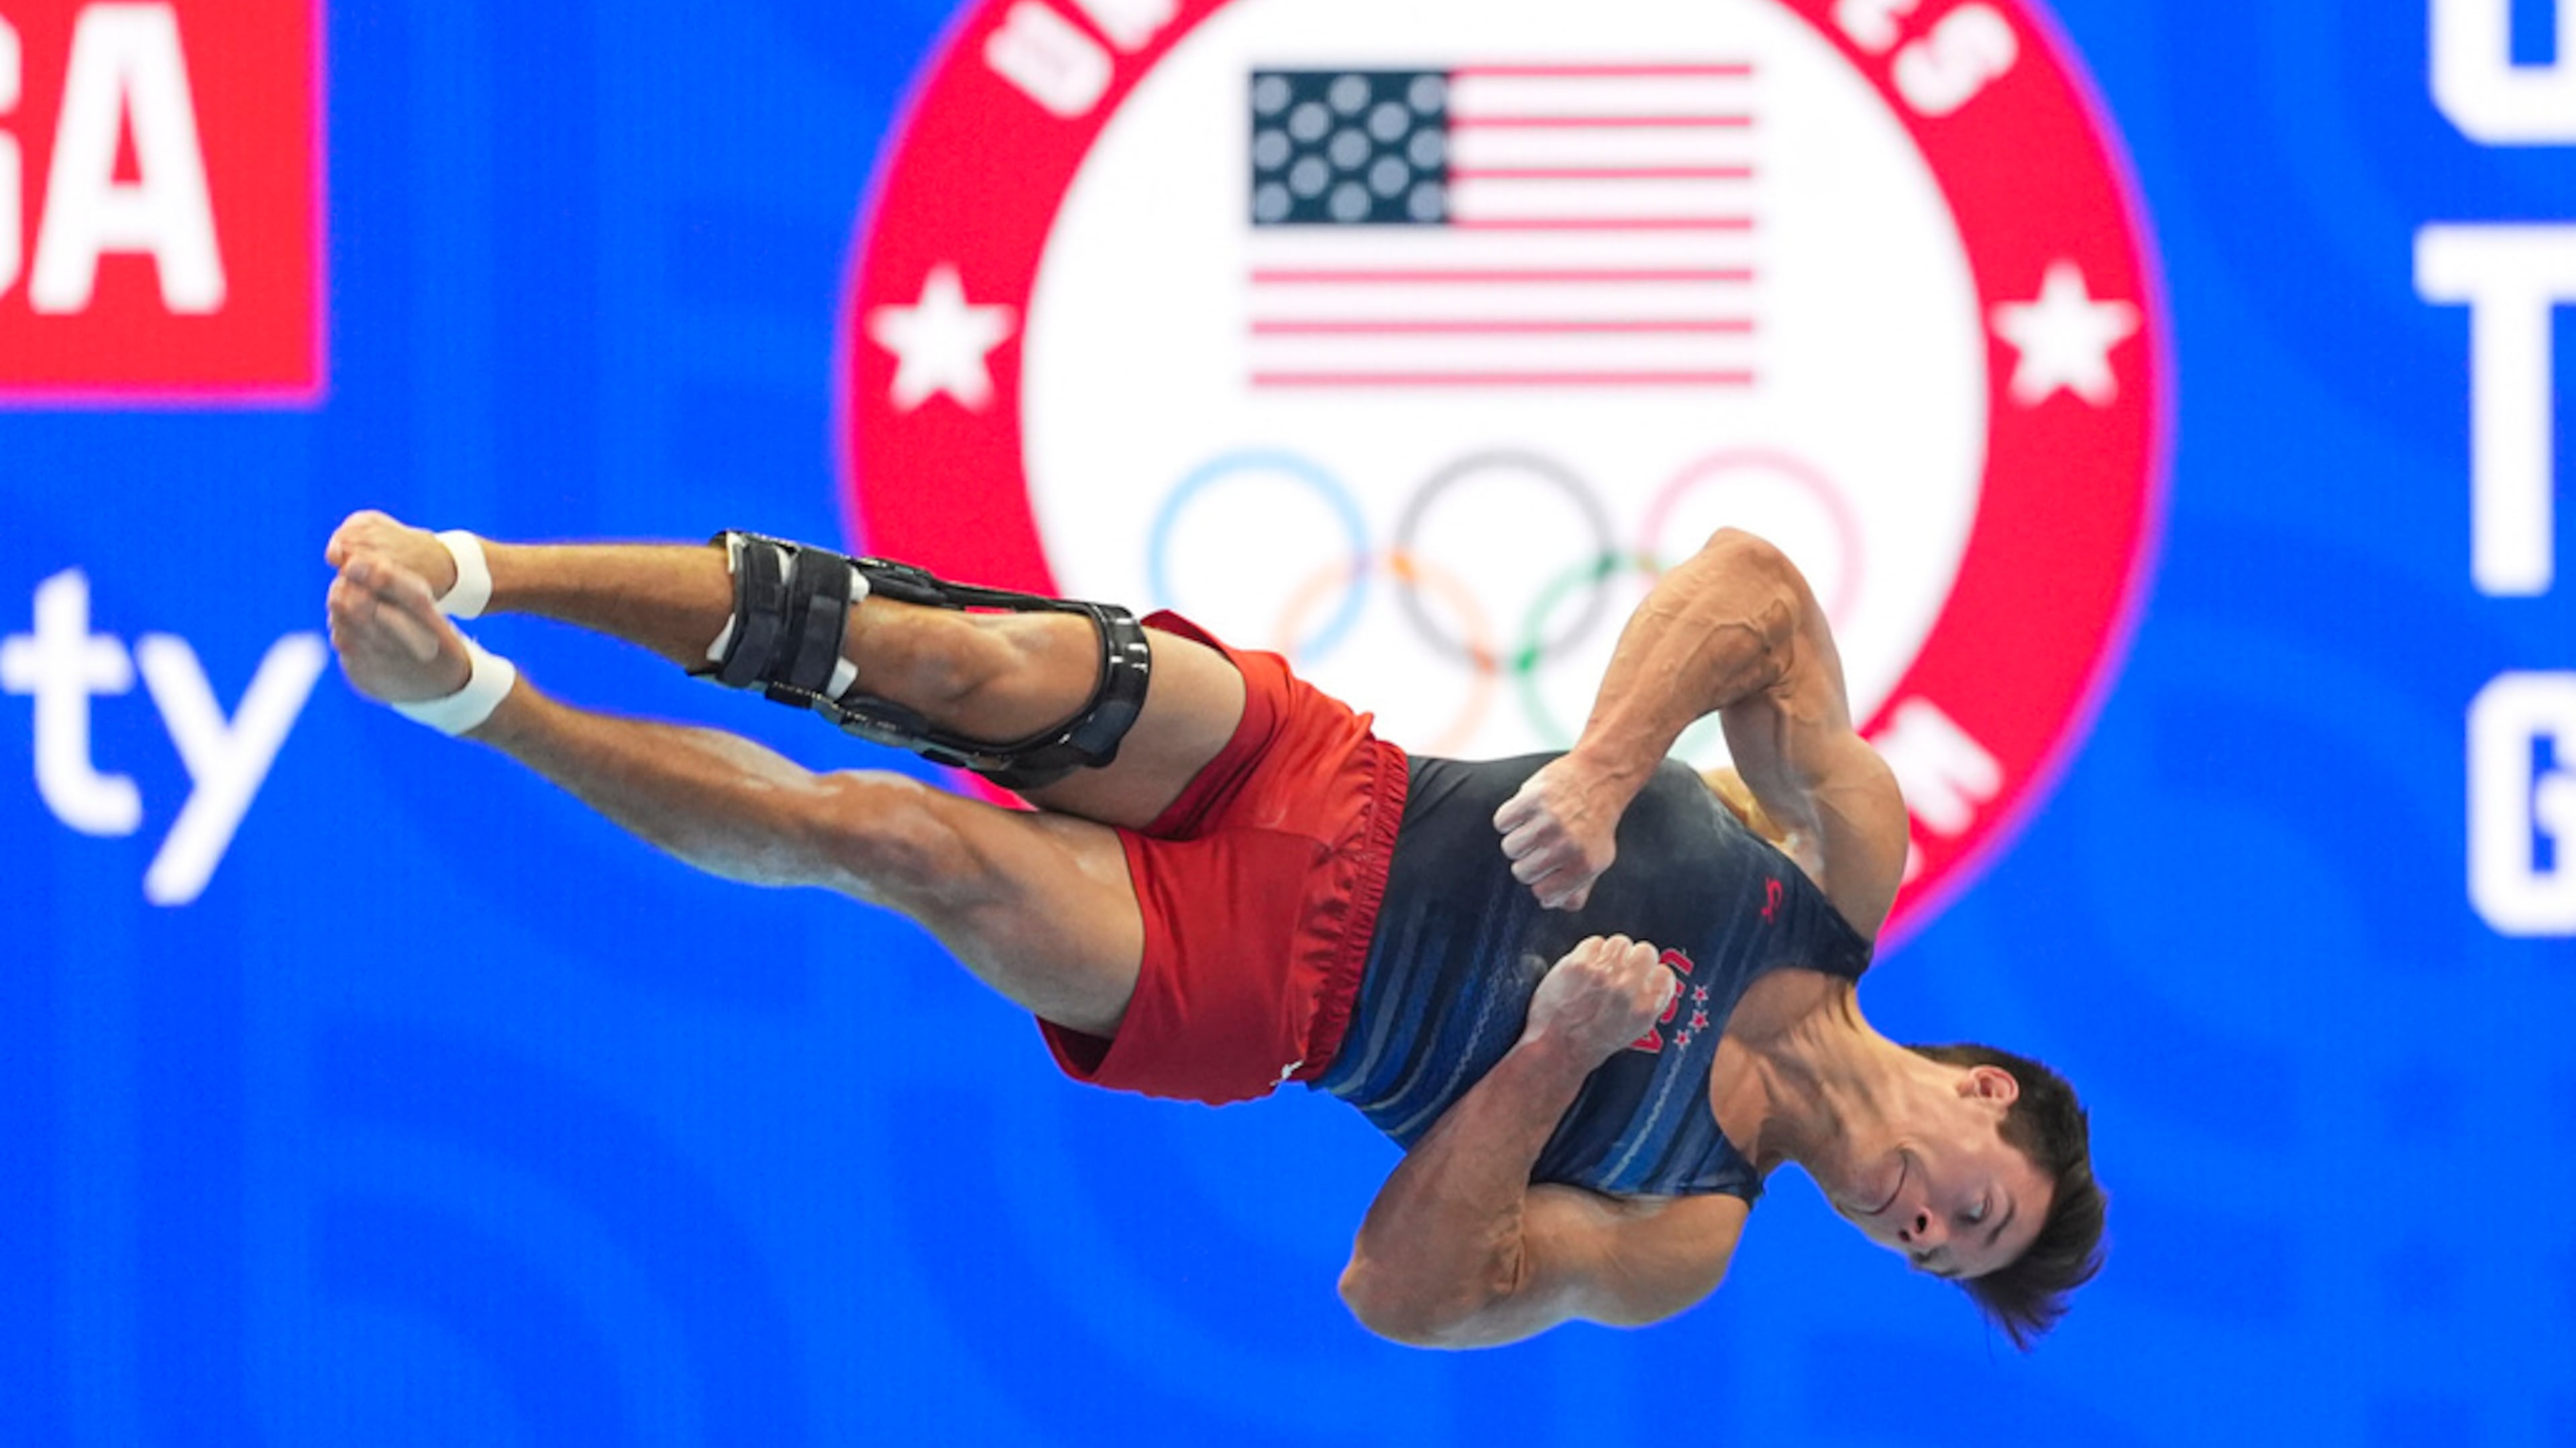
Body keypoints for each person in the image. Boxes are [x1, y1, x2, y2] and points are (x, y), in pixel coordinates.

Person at [321, 511, 2105, 1349]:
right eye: (1976, 1201)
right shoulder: (1840, 852)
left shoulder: (1685, 1230)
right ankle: (474, 572)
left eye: (1941, 1255)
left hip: (1271, 991)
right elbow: (1754, 590)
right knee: (944, 659)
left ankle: (471, 696)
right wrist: (1605, 770)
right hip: (1329, 776)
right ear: (1983, 1087)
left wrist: (1558, 1046)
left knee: (885, 838)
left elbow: (1397, 1295)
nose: (1922, 1222)